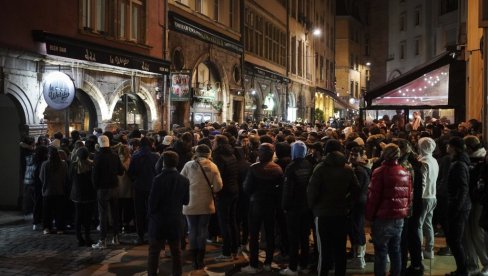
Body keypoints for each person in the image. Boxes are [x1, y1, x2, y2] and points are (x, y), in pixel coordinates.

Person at [307, 139, 360, 276]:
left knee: (324, 251)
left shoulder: (320, 168)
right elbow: (356, 190)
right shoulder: (347, 168)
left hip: (322, 214)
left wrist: (313, 207)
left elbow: (312, 192)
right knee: (340, 249)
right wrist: (348, 204)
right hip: (341, 213)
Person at [366, 143, 412, 276]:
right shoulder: (405, 171)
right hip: (399, 217)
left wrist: (369, 216)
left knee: (381, 251)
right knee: (395, 250)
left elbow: (374, 197)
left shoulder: (379, 172)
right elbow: (409, 196)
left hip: (383, 217)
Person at [241, 143, 284, 274]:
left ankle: (253, 264)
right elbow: (280, 189)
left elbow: (247, 188)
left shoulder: (254, 168)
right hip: (271, 205)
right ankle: (268, 263)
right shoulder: (277, 168)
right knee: (269, 233)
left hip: (256, 204)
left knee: (254, 235)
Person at [181, 144, 223, 270]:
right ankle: (200, 258)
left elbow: (181, 181)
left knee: (192, 229)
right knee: (203, 229)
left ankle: (193, 258)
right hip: (206, 202)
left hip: (190, 201)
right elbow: (218, 187)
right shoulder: (213, 166)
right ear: (209, 154)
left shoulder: (189, 165)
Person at [147, 151, 190, 276]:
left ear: (163, 163)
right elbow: (186, 201)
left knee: (154, 252)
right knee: (176, 251)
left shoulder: (158, 179)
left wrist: (150, 216)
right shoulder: (184, 180)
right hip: (176, 220)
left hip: (159, 221)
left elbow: (152, 203)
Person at [280, 141, 313, 276]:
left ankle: (292, 267)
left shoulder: (291, 167)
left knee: (293, 238)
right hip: (307, 206)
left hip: (294, 208)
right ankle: (304, 265)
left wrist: (285, 206)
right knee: (305, 237)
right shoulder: (309, 165)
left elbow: (287, 190)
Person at [445, 137, 472, 276]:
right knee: (455, 239)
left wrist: (456, 208)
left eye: (449, 145)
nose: (447, 147)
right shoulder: (460, 162)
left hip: (459, 207)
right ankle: (462, 269)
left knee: (455, 240)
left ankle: (463, 270)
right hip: (460, 205)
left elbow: (463, 188)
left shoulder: (459, 164)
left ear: (454, 147)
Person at [92, 135, 124, 249]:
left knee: (103, 214)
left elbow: (95, 175)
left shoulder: (98, 156)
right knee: (115, 213)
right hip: (114, 187)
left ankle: (103, 239)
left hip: (102, 188)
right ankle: (116, 237)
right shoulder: (115, 156)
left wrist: (96, 187)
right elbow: (121, 171)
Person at [212, 135, 240, 261]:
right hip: (234, 190)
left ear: (218, 144)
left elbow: (218, 177)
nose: (212, 143)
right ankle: (235, 248)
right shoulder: (232, 154)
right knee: (233, 221)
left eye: (214, 142)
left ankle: (226, 252)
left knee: (224, 223)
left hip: (224, 193)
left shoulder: (218, 157)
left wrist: (215, 190)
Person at [128, 137, 160, 245]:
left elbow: (130, 172)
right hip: (153, 186)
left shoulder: (135, 156)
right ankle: (153, 234)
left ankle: (140, 236)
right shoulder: (155, 156)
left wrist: (135, 180)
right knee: (152, 210)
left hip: (139, 187)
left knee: (139, 212)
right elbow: (159, 171)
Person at [347, 144, 371, 269]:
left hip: (357, 204)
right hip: (359, 203)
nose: (352, 157)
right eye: (351, 154)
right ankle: (357, 256)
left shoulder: (359, 171)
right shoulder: (360, 168)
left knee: (357, 230)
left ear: (362, 157)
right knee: (356, 229)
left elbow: (356, 190)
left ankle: (359, 258)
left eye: (355, 155)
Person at [69, 147, 96, 246]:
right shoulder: (91, 165)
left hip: (77, 194)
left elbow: (70, 178)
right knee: (88, 217)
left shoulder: (74, 165)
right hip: (89, 194)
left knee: (78, 216)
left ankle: (79, 238)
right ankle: (88, 237)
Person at [417, 137, 439, 260]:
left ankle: (419, 251)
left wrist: (417, 197)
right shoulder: (434, 160)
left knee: (418, 225)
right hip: (432, 196)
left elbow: (422, 183)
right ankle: (429, 250)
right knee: (428, 224)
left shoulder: (423, 162)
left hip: (424, 197)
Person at [40, 146, 69, 234]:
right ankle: (60, 228)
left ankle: (47, 228)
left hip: (48, 191)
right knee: (59, 211)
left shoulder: (45, 164)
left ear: (48, 154)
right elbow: (66, 177)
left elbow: (41, 177)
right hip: (60, 190)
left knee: (47, 211)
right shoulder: (63, 164)